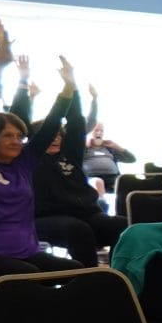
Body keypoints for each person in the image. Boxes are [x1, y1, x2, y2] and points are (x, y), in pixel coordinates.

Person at [0, 24, 81, 276]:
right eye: (8, 136)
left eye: (20, 136)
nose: (16, 141)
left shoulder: (24, 162)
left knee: (79, 273)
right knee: (26, 277)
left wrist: (68, 89)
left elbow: (51, 124)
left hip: (28, 251)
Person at [33, 82, 127, 266]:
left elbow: (76, 123)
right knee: (78, 230)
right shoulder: (31, 159)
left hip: (86, 214)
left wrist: (73, 86)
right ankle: (90, 280)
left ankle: (120, 274)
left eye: (59, 135)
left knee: (124, 226)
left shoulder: (70, 156)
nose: (56, 138)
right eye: (51, 135)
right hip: (46, 218)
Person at [81, 116, 136, 194]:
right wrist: (85, 146)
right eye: (96, 130)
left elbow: (132, 159)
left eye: (101, 131)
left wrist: (117, 146)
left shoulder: (109, 148)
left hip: (112, 178)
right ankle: (102, 203)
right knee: (98, 182)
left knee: (129, 181)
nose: (99, 133)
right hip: (91, 178)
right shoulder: (82, 148)